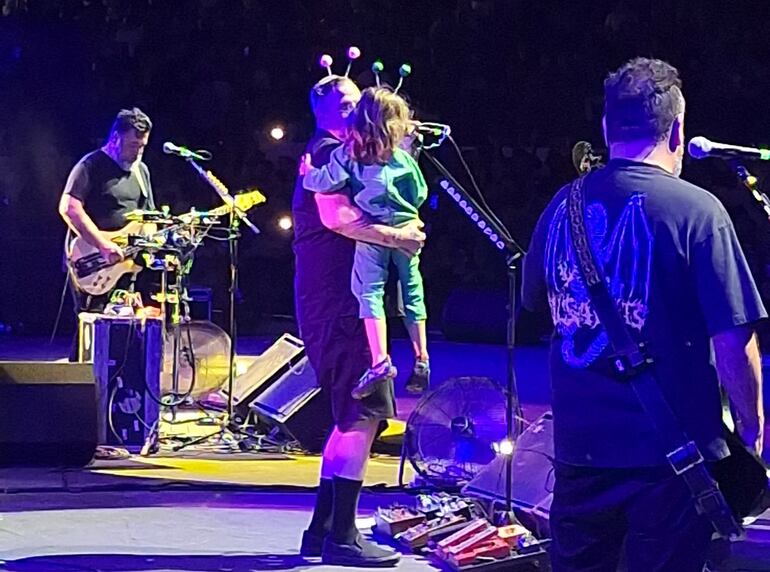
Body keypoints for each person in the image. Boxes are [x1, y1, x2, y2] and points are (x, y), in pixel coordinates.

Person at [522, 57, 765, 572]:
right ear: (677, 129)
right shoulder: (698, 211)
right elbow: (731, 340)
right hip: (670, 459)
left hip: (577, 452)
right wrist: (751, 426)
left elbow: (538, 308)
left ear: (608, 129)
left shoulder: (560, 207)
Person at [292, 75, 425, 567]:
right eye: (346, 103)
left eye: (359, 103)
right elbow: (337, 219)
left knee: (350, 417)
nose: (356, 110)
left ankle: (322, 528)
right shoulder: (328, 150)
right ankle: (343, 538)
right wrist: (399, 237)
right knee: (362, 416)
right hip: (340, 301)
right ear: (322, 109)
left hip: (338, 299)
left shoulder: (349, 151)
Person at [300, 86, 430, 399]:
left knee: (369, 293)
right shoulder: (402, 158)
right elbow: (421, 191)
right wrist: (407, 219)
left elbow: (322, 182)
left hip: (374, 234)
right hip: (406, 227)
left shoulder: (349, 154)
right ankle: (422, 356)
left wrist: (307, 173)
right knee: (412, 291)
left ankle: (380, 360)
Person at [59, 107, 155, 317]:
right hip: (93, 262)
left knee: (126, 334)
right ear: (115, 138)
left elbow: (149, 218)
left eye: (142, 146)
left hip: (126, 264)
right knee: (92, 334)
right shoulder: (91, 165)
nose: (138, 152)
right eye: (133, 145)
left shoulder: (141, 171)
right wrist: (103, 246)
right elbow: (69, 208)